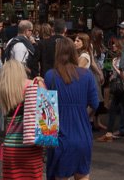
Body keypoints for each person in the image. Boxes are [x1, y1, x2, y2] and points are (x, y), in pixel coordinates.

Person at [44, 37, 99, 179]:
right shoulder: (87, 75)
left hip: (59, 138)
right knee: (83, 175)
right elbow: (95, 104)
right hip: (83, 136)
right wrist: (82, 115)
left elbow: (46, 113)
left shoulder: (50, 76)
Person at [0, 59, 44, 180]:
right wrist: (40, 83)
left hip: (10, 148)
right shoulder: (32, 85)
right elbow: (45, 112)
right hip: (31, 147)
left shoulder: (4, 91)